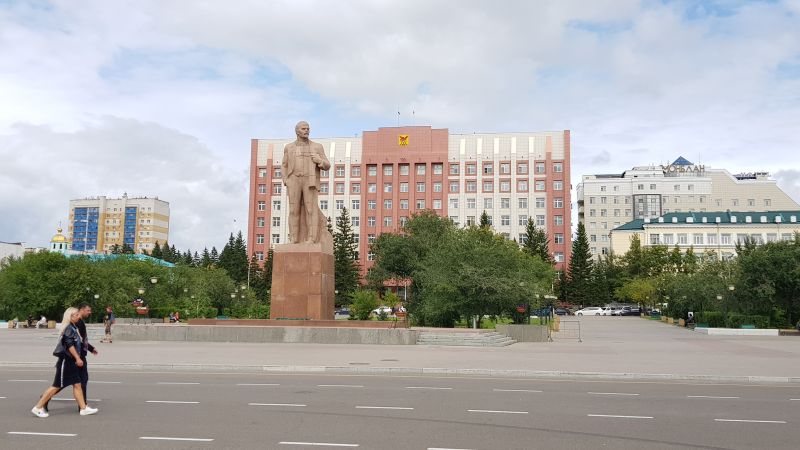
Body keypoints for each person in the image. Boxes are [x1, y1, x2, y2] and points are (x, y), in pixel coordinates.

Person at [31, 307, 98, 417]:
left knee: (77, 384)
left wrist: (89, 349)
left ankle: (83, 408)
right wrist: (78, 358)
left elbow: (79, 343)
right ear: (70, 317)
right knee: (56, 386)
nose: (78, 317)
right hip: (66, 362)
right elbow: (70, 345)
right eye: (76, 315)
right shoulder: (68, 328)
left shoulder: (73, 327)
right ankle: (38, 407)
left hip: (71, 362)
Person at [282, 121, 331, 244]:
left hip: (310, 180)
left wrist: (319, 160)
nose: (307, 130)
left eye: (308, 128)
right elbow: (284, 165)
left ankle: (312, 238)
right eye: (304, 129)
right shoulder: (289, 147)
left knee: (311, 209)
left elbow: (327, 165)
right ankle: (294, 239)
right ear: (297, 131)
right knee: (293, 210)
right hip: (294, 179)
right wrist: (285, 179)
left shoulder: (317, 146)